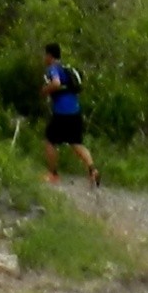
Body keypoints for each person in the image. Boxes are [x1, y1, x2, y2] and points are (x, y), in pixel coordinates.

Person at [41, 42, 98, 186]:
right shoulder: (66, 69)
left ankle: (53, 174)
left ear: (49, 55)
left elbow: (56, 83)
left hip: (62, 113)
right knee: (76, 143)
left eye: (45, 54)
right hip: (75, 112)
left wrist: (45, 91)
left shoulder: (53, 68)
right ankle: (92, 170)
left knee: (49, 140)